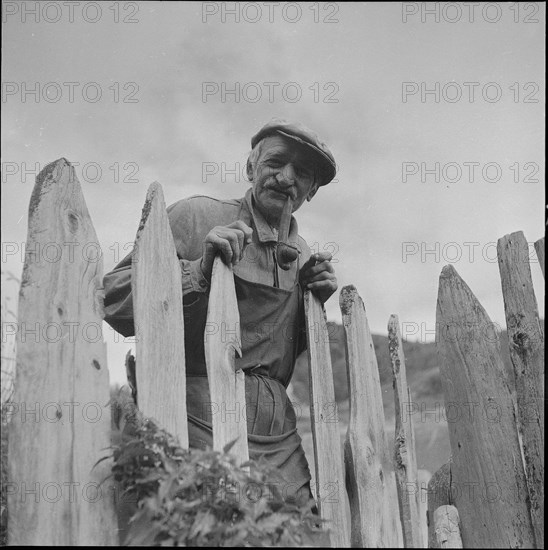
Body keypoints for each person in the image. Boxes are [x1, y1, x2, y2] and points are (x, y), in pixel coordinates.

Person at [103, 119, 338, 507]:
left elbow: (276, 356)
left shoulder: (305, 257)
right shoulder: (196, 217)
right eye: (276, 162)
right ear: (250, 168)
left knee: (301, 534)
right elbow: (112, 300)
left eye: (303, 173)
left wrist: (313, 305)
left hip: (278, 436)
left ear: (311, 190)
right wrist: (197, 272)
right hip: (191, 417)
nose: (286, 177)